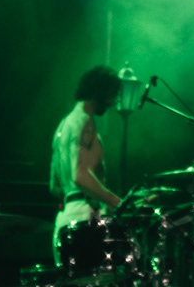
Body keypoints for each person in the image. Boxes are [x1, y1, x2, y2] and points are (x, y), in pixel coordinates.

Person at [50, 65, 124, 265]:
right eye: (110, 95)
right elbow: (79, 176)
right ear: (98, 91)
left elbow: (54, 186)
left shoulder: (63, 126)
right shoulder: (85, 123)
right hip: (86, 221)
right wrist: (117, 203)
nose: (111, 102)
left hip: (64, 220)